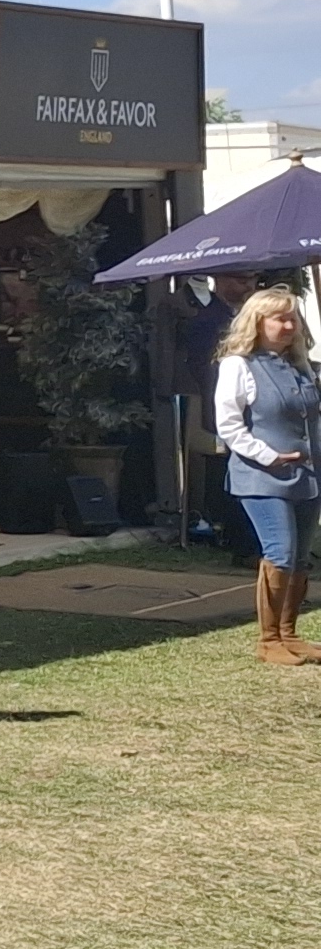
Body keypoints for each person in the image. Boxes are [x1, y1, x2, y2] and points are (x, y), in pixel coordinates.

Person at [214, 285, 318, 665]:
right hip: (263, 476)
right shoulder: (238, 365)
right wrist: (268, 455)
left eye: (293, 318)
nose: (289, 325)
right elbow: (228, 424)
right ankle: (268, 640)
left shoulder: (300, 365)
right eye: (280, 318)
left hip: (308, 475)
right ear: (257, 323)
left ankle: (290, 633)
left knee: (302, 557)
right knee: (281, 552)